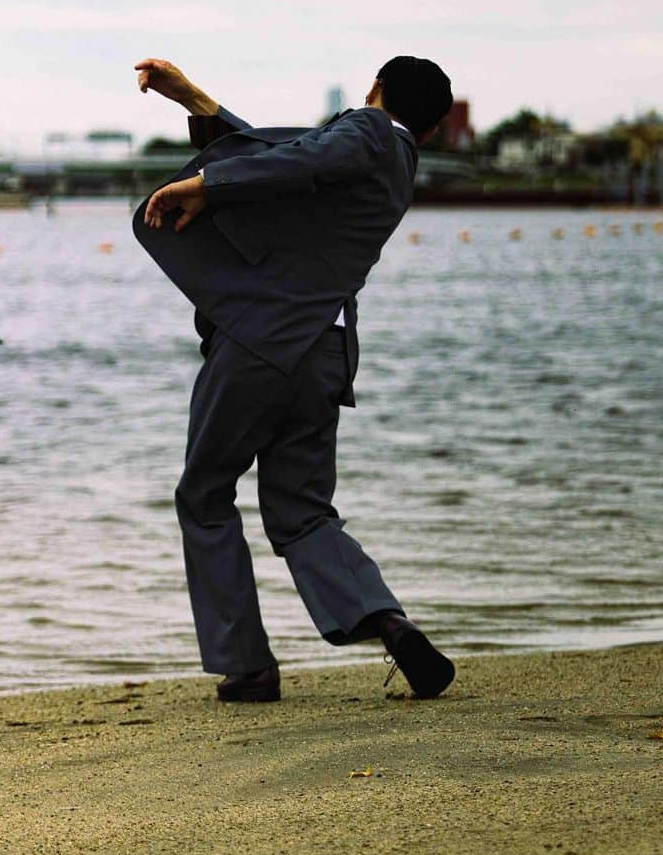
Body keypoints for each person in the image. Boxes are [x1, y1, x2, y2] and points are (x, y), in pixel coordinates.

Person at [131, 55, 456, 704]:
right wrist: (196, 102)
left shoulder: (365, 130)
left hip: (265, 342)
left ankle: (247, 665)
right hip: (325, 347)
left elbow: (295, 161)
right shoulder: (391, 163)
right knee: (302, 511)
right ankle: (388, 622)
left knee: (204, 493)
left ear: (378, 90)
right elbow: (292, 157)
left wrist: (208, 186)